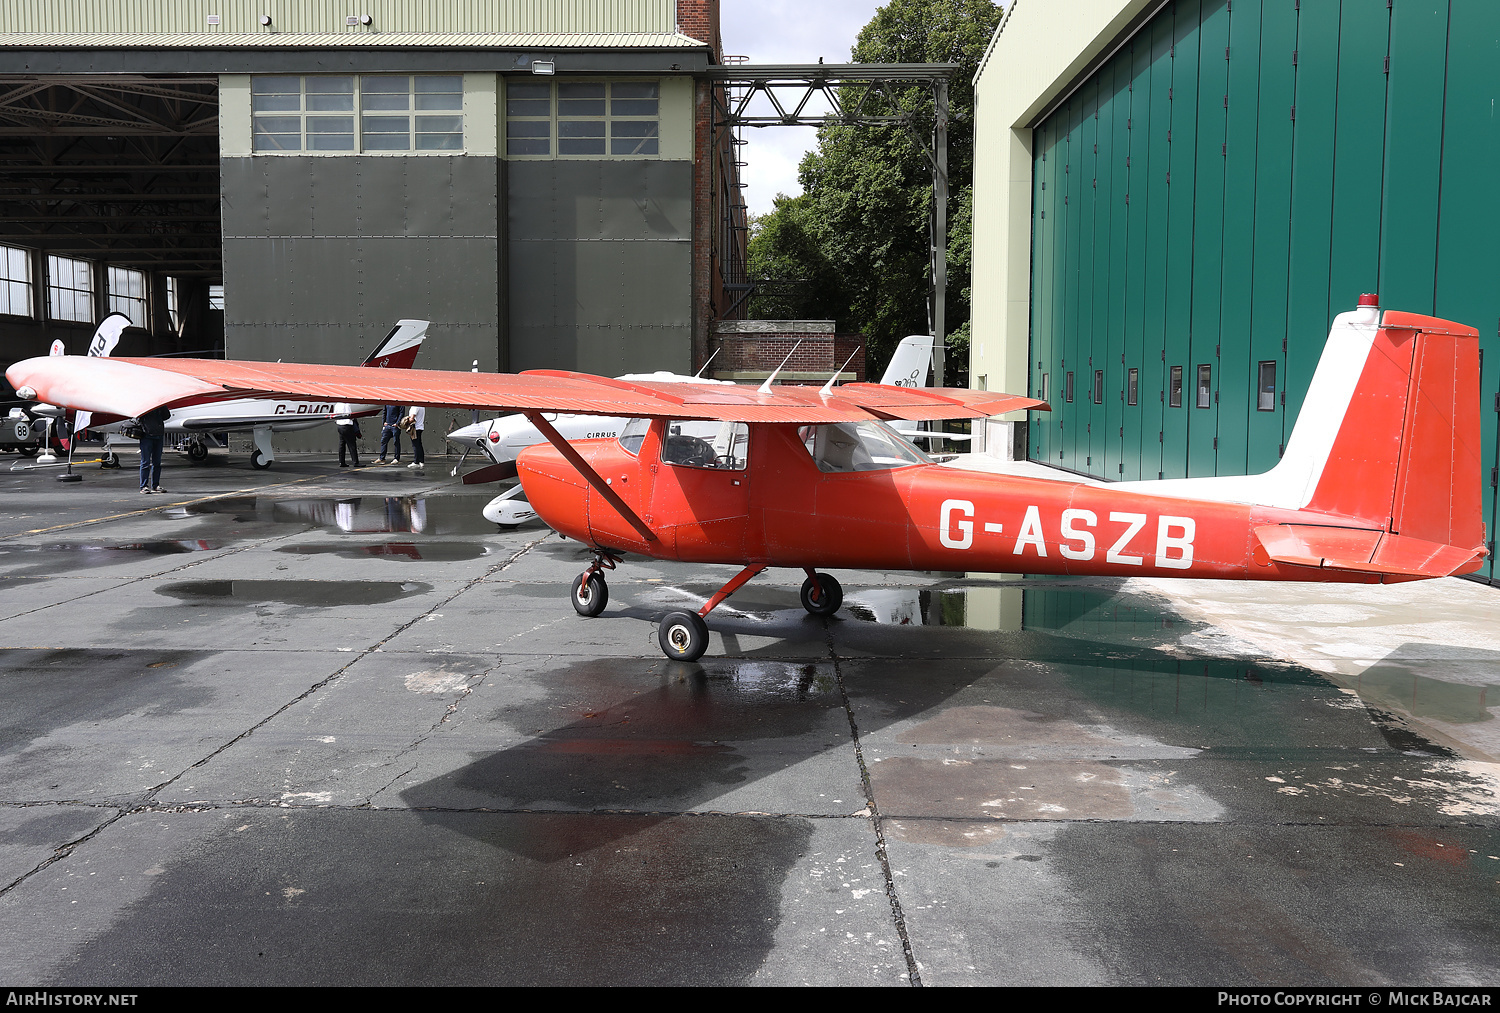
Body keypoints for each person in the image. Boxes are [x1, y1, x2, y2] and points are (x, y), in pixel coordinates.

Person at [137, 406, 170, 493]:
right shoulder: (146, 403)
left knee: (156, 462)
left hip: (157, 434)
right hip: (147, 435)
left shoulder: (160, 405)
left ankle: (154, 485)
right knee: (146, 462)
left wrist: (162, 407)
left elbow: (166, 415)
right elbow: (138, 416)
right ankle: (144, 486)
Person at [334, 403, 361, 467]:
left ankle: (341, 462)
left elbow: (335, 415)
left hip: (339, 425)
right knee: (352, 444)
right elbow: (349, 415)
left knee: (342, 444)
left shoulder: (337, 404)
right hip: (347, 425)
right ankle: (355, 462)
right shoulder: (347, 405)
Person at [404, 406, 426, 472]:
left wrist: (405, 421)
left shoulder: (415, 407)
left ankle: (416, 462)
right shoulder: (422, 407)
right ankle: (421, 461)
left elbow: (412, 418)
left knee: (415, 445)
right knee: (419, 444)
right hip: (420, 427)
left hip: (415, 428)